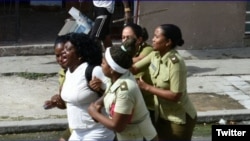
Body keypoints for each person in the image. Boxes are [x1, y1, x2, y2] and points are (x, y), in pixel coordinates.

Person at [131, 24, 197, 141]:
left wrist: (147, 87)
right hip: (161, 115)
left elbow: (175, 95)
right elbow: (134, 68)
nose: (153, 39)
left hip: (179, 119)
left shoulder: (176, 63)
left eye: (156, 37)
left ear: (168, 42)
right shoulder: (154, 55)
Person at [88, 38, 158, 141]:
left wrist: (94, 113)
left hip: (140, 137)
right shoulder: (115, 78)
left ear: (112, 69)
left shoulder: (125, 90)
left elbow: (117, 126)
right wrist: (99, 103)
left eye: (103, 63)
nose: (100, 65)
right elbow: (110, 92)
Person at [60, 33, 115, 141]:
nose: (63, 52)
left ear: (79, 54)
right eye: (63, 49)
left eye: (67, 49)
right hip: (77, 132)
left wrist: (101, 95)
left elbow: (114, 90)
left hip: (98, 130)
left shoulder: (93, 71)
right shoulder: (69, 72)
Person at [121, 23, 155, 122]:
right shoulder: (123, 51)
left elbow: (138, 60)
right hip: (130, 102)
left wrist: (117, 59)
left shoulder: (148, 49)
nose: (125, 40)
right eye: (123, 37)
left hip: (146, 104)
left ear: (139, 39)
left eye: (128, 37)